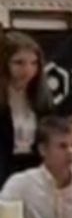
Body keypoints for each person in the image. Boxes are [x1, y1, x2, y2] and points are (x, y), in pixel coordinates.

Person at [0, 32, 52, 186]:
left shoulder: (42, 98)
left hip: (34, 170)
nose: (28, 70)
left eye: (33, 63)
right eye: (19, 63)